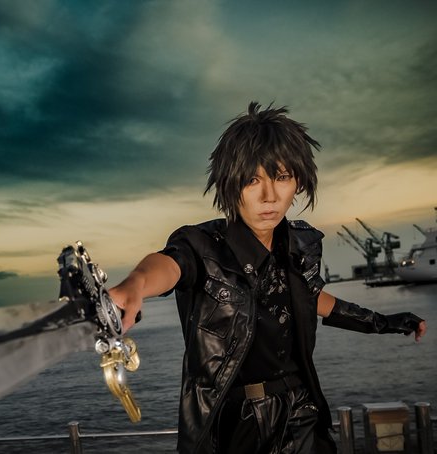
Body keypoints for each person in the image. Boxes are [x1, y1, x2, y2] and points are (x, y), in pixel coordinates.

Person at [109, 102, 427, 454]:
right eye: (252, 180)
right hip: (234, 424)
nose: (269, 196)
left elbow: (310, 298)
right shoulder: (202, 246)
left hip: (301, 412)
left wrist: (384, 322)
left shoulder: (300, 245)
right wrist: (135, 284)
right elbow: (169, 265)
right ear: (230, 185)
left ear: (298, 181)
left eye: (281, 177)